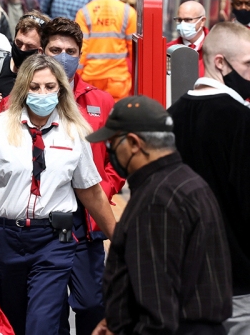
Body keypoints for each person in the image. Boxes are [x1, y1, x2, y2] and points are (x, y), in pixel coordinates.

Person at [0, 54, 116, 335]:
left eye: (50, 87)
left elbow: (91, 193)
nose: (43, 93)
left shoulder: (75, 132)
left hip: (51, 242)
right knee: (11, 324)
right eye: (35, 87)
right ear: (23, 89)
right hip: (3, 239)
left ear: (61, 89)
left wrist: (121, 239)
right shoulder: (0, 127)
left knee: (42, 324)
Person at [89, 96, 233, 335]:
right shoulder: (186, 182)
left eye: (113, 142)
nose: (110, 150)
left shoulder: (157, 200)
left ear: (134, 143)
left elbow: (157, 307)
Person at [168, 22, 250, 333]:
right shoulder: (241, 121)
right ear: (220, 62)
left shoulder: (170, 117)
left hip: (183, 280)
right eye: (248, 65)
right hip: (237, 283)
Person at [75, 0, 136, 101]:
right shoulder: (128, 12)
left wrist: (75, 78)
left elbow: (81, 48)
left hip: (90, 79)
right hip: (117, 79)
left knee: (92, 118)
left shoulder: (84, 12)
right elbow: (134, 50)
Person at [168, 0, 208, 77]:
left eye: (188, 20)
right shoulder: (168, 50)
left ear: (202, 21)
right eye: (179, 20)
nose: (182, 24)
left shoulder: (215, 49)